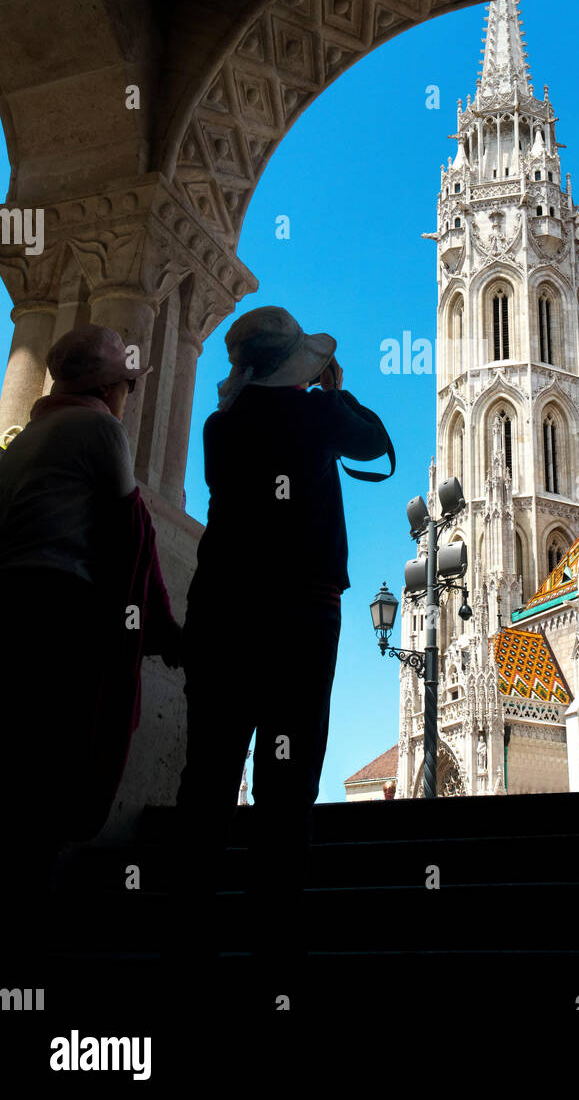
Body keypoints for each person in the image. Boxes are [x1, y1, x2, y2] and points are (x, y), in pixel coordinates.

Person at [171, 306, 393, 970]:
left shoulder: (220, 425)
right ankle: (273, 935)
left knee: (208, 773)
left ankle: (190, 934)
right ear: (294, 366)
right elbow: (375, 444)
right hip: (299, 614)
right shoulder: (316, 415)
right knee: (286, 778)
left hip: (222, 612)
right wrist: (333, 390)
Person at [0, 325, 182, 960]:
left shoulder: (20, 445)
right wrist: (162, 630)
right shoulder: (101, 429)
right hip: (61, 609)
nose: (129, 395)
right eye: (128, 386)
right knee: (54, 760)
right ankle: (32, 921)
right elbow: (130, 529)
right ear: (111, 388)